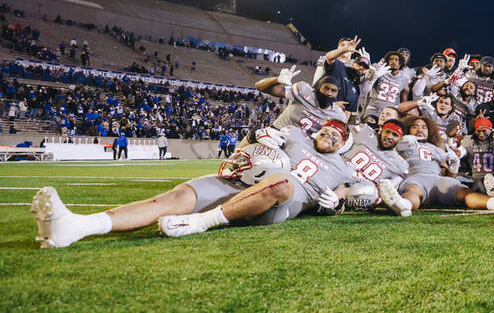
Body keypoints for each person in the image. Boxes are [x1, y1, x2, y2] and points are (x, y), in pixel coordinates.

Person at [32, 120, 359, 248]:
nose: (329, 134)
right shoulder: (295, 136)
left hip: (278, 203)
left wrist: (336, 206)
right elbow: (247, 148)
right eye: (325, 130)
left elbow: (345, 197)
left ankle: (202, 222)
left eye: (336, 134)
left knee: (283, 182)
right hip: (238, 182)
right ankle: (76, 227)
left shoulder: (343, 167)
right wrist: (255, 134)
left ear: (343, 142)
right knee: (168, 200)